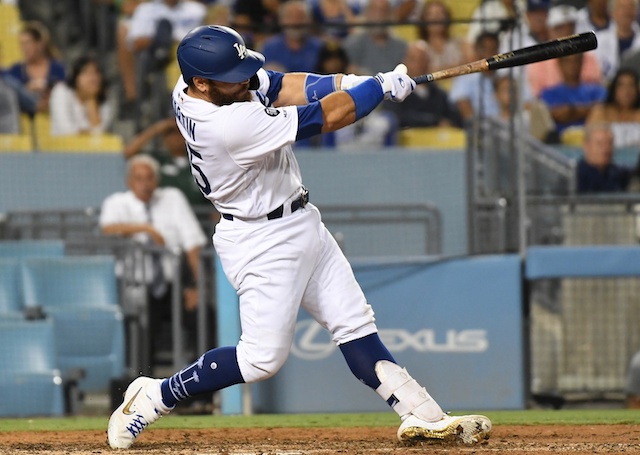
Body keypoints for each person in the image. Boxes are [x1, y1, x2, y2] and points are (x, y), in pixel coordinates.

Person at [107, 24, 492, 449]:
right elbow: (330, 116)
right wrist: (378, 89)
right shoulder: (228, 125)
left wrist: (352, 82)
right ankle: (155, 395)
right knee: (261, 359)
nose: (245, 81)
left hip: (300, 220)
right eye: (233, 77)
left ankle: (422, 414)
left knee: (354, 324)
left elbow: (284, 84)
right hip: (260, 241)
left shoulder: (196, 83)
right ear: (203, 83)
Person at [100, 154, 208, 370]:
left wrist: (195, 286)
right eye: (139, 178)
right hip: (137, 286)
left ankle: (202, 389)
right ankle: (141, 389)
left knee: (204, 319)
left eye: (149, 178)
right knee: (140, 331)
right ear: (129, 181)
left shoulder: (172, 198)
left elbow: (192, 243)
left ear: (157, 180)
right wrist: (146, 228)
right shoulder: (117, 203)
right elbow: (108, 228)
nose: (145, 184)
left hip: (173, 284)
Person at [123, 117, 210, 209]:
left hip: (199, 217)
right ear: (164, 139)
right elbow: (128, 153)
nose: (175, 138)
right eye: (169, 133)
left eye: (179, 132)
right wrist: (157, 128)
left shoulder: (200, 161)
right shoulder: (157, 160)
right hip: (162, 213)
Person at [526, 5, 603, 98]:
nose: (566, 33)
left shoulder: (589, 57)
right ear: (549, 30)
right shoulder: (539, 61)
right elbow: (538, 98)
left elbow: (596, 91)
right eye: (560, 28)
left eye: (570, 27)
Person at [381, 40, 462, 128]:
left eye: (422, 60)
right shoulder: (395, 90)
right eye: (413, 59)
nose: (418, 64)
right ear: (405, 62)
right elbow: (395, 117)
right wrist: (435, 121)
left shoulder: (438, 94)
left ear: (428, 63)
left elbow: (454, 119)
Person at [540, 52, 607, 137]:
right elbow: (550, 115)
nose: (573, 66)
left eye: (576, 61)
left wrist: (572, 112)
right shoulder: (548, 93)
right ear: (559, 64)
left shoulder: (596, 90)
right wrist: (586, 111)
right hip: (557, 142)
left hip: (591, 141)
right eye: (567, 61)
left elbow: (604, 110)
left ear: (582, 62)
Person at [6, 21, 66, 113]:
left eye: (28, 43)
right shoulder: (15, 71)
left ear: (40, 43)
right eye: (22, 44)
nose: (24, 48)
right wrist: (26, 90)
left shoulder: (58, 68)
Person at [49, 55, 113, 136]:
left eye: (96, 73)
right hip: (62, 146)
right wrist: (87, 134)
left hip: (92, 148)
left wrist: (91, 102)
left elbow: (101, 134)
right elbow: (65, 130)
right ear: (76, 78)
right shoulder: (61, 91)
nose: (93, 78)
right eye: (87, 73)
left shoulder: (104, 98)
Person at [342, 0, 408, 75]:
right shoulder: (352, 44)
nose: (379, 16)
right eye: (375, 11)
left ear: (391, 15)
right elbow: (350, 72)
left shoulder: (401, 47)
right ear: (366, 13)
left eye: (384, 11)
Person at [261, 1, 324, 73]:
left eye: (300, 16)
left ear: (310, 20)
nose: (295, 22)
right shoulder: (269, 47)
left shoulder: (320, 47)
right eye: (290, 17)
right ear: (281, 20)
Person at [586, 68, 640, 148]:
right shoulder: (600, 112)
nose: (627, 90)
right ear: (614, 89)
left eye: (631, 85)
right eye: (621, 85)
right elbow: (591, 141)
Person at [576, 122, 632, 193]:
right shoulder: (575, 177)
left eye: (609, 143)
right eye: (600, 144)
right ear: (586, 146)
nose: (606, 148)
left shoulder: (620, 175)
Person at [593, 0, 640, 83]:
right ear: (611, 12)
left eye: (630, 7)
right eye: (622, 8)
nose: (626, 12)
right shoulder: (599, 40)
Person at [417, 0, 465, 73]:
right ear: (424, 19)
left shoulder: (460, 43)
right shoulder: (419, 48)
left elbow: (470, 66)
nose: (436, 18)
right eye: (431, 14)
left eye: (440, 13)